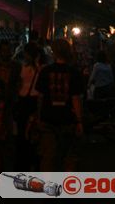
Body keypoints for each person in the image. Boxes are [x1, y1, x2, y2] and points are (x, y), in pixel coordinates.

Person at [34, 38, 85, 172]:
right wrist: (79, 120)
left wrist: (38, 117)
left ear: (54, 52)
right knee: (69, 156)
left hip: (48, 117)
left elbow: (40, 97)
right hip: (68, 118)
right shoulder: (74, 72)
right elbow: (75, 98)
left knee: (48, 156)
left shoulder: (45, 71)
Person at [13, 43, 41, 170]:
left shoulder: (22, 68)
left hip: (23, 101)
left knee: (22, 133)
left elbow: (18, 85)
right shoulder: (39, 69)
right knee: (33, 133)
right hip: (34, 102)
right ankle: (33, 160)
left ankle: (22, 162)